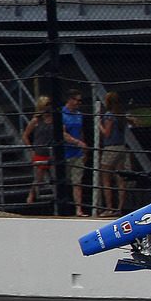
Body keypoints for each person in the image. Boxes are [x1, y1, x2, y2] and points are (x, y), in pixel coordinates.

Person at [98, 91, 131, 217]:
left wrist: (99, 125)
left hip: (111, 147)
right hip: (121, 146)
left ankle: (109, 207)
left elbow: (107, 133)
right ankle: (120, 208)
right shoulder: (120, 115)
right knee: (120, 178)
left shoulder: (109, 116)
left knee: (105, 177)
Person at [62, 89, 89, 217]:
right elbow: (62, 133)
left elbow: (81, 132)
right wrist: (77, 142)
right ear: (70, 100)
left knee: (77, 181)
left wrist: (83, 146)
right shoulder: (62, 114)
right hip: (65, 152)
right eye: (77, 100)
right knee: (64, 180)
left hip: (78, 153)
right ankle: (63, 206)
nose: (79, 103)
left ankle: (79, 209)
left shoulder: (79, 115)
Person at [22, 96, 54, 204]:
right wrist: (31, 150)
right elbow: (25, 135)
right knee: (39, 176)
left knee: (56, 174)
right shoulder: (36, 120)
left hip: (51, 151)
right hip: (39, 151)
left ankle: (57, 197)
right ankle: (31, 195)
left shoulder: (54, 119)